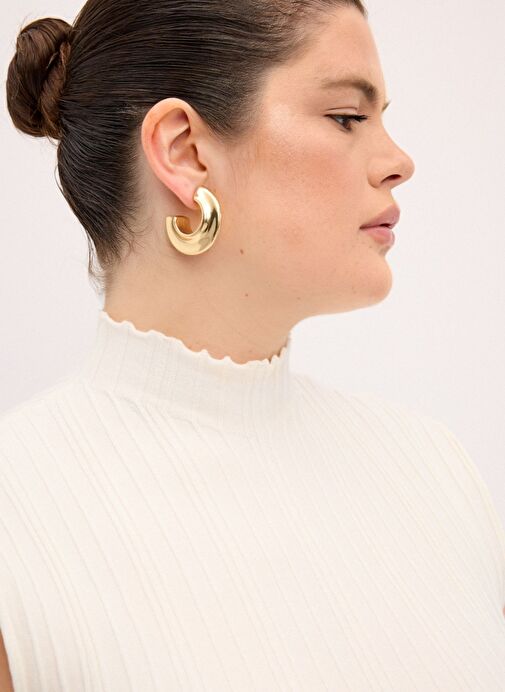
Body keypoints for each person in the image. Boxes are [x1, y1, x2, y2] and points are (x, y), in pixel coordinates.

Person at [2, 0, 504, 690]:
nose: (398, 161)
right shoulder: (18, 522)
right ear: (185, 152)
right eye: (347, 117)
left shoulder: (438, 475)